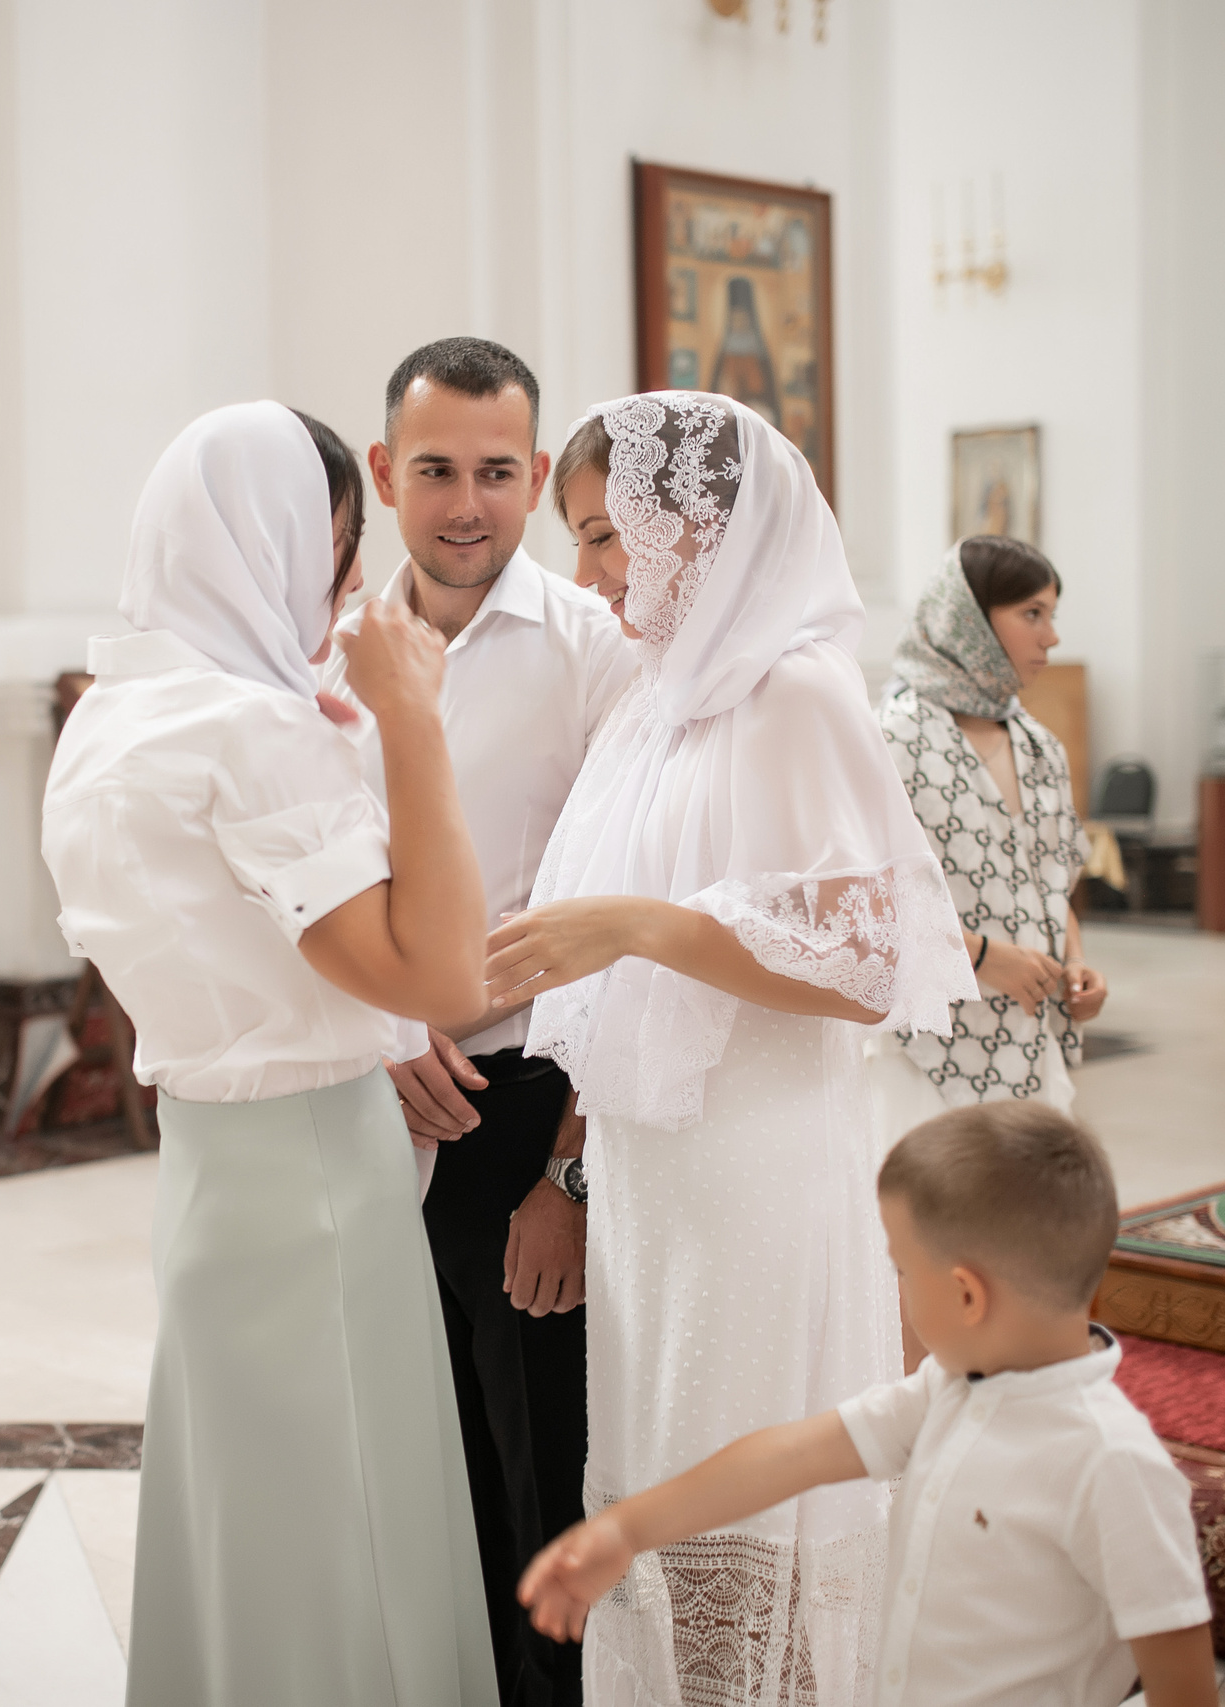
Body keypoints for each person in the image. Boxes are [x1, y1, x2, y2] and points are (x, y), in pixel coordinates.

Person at [487, 392, 978, 1707]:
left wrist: (642, 922)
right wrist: (580, 1168)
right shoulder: (663, 699)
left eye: (606, 538)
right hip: (662, 1174)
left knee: (743, 1496)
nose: (588, 577)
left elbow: (867, 966)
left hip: (758, 1168)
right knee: (661, 1484)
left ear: (701, 529)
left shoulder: (796, 691)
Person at [43, 400, 499, 1706]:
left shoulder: (107, 717)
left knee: (251, 1523)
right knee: (356, 1536)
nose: (345, 592)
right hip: (315, 1184)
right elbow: (442, 974)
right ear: (269, 547)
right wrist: (411, 718)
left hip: (206, 1171)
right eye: (333, 555)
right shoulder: (248, 730)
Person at [318, 336, 637, 1707]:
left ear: (534, 473)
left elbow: (631, 918)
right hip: (358, 1097)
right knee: (406, 1449)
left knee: (537, 1465)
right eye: (436, 468)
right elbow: (292, 880)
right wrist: (378, 1028)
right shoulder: (321, 651)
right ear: (386, 472)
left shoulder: (596, 653)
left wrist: (567, 1159)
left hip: (530, 1094)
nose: (467, 504)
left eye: (499, 471)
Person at [518, 1102, 1218, 1707]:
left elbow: (1183, 1683)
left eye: (904, 1270)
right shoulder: (948, 1392)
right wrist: (628, 1529)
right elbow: (791, 1454)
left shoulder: (1113, 1464)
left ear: (967, 1294)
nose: (897, 1290)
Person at [870, 538, 1105, 1146]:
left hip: (1030, 1041)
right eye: (1032, 614)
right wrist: (981, 956)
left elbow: (1054, 883)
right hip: (923, 1052)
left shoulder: (1040, 746)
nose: (1050, 636)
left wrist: (1075, 964)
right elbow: (864, 900)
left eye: (1051, 614)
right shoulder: (890, 739)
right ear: (967, 617)